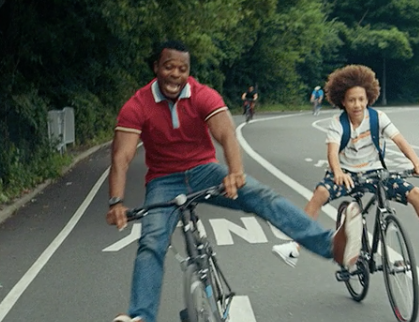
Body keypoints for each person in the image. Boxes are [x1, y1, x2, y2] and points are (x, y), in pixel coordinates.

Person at [106, 40, 362, 322]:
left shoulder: (202, 95)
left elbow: (226, 134)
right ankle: (141, 316)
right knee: (151, 241)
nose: (176, 74)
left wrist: (235, 172)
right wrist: (116, 201)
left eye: (182, 68)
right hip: (163, 181)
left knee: (262, 197)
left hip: (205, 171)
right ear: (156, 67)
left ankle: (331, 246)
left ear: (188, 71)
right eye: (169, 67)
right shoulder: (137, 104)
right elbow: (122, 156)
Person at [273, 64, 419, 268]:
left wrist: (416, 162)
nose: (357, 104)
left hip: (375, 172)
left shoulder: (378, 118)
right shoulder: (338, 123)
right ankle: (294, 247)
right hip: (347, 174)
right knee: (320, 194)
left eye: (361, 99)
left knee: (415, 194)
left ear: (368, 98)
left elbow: (400, 141)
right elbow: (332, 152)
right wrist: (338, 172)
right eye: (352, 100)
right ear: (343, 101)